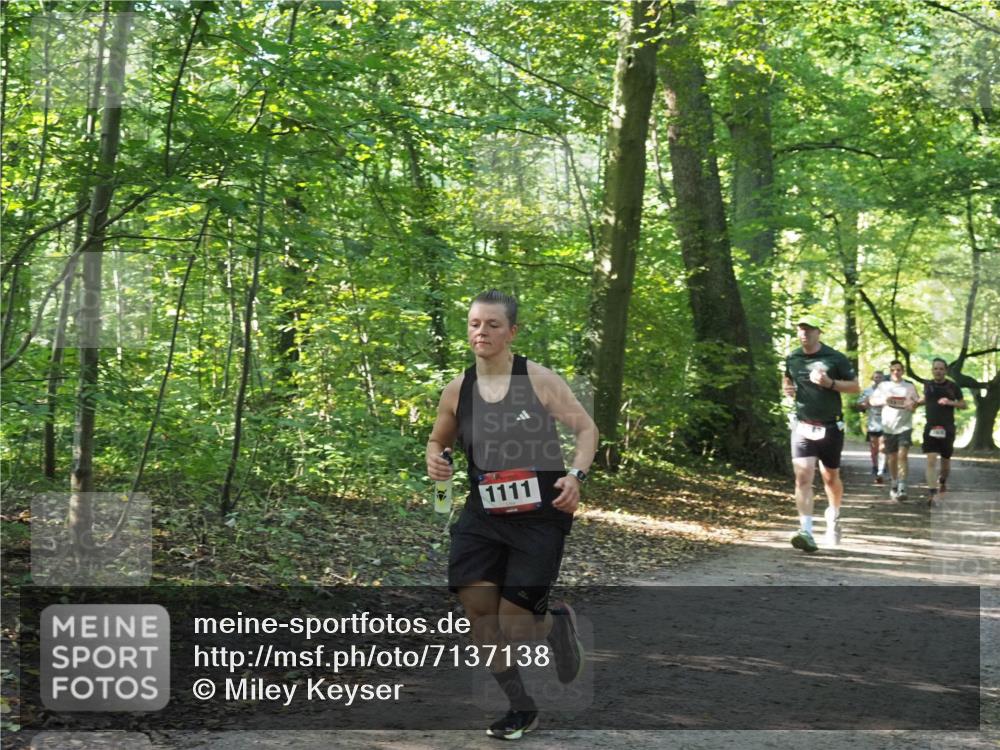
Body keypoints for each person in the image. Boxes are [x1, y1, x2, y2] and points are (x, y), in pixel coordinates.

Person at [426, 289, 598, 740]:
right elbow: (436, 441)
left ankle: (556, 623)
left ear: (512, 331)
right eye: (474, 324)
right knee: (479, 613)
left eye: (493, 325)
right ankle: (521, 707)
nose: (481, 332)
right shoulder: (457, 389)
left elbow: (586, 428)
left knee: (515, 625)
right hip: (482, 516)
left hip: (540, 514)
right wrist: (436, 460)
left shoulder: (538, 380)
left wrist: (576, 476)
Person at [782, 314, 860, 552]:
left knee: (830, 478)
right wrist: (788, 389)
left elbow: (856, 387)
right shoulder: (792, 357)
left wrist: (830, 384)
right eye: (801, 329)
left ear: (819, 332)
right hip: (803, 425)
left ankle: (833, 514)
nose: (804, 333)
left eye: (809, 329)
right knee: (803, 477)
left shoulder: (835, 358)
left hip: (830, 426)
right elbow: (787, 380)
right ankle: (806, 531)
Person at [917, 357, 966, 505]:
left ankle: (943, 481)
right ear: (932, 370)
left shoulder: (952, 386)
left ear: (945, 370)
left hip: (947, 428)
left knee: (945, 463)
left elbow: (963, 404)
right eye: (935, 368)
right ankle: (932, 493)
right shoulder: (928, 385)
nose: (938, 371)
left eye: (941, 369)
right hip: (931, 427)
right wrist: (913, 403)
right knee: (931, 460)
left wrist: (950, 402)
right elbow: (925, 400)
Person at [869, 360, 920, 501]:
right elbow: (872, 401)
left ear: (903, 371)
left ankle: (903, 486)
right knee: (892, 458)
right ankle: (894, 482)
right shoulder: (883, 386)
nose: (896, 372)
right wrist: (885, 400)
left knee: (902, 455)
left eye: (898, 370)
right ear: (890, 372)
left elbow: (915, 404)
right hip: (888, 427)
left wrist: (912, 405)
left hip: (905, 426)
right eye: (893, 370)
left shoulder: (909, 387)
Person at [855, 370, 888, 483]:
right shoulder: (867, 391)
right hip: (873, 423)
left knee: (882, 447)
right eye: (876, 377)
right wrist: (865, 403)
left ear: (883, 379)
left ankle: (882, 468)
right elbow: (859, 405)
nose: (878, 379)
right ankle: (875, 466)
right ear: (872, 378)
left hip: (886, 423)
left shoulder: (888, 391)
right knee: (874, 448)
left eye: (880, 377)